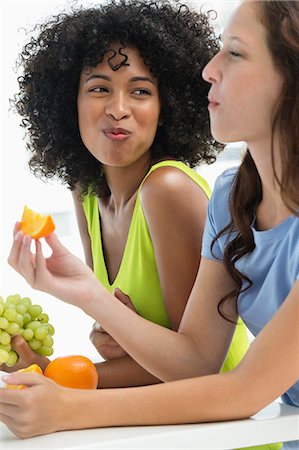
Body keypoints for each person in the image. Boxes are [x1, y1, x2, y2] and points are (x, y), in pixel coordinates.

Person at [1, 0, 298, 449]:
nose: (208, 71)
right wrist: (86, 294)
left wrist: (68, 406)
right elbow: (196, 359)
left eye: (234, 52)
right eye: (99, 88)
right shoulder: (232, 196)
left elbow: (243, 388)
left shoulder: (171, 189)